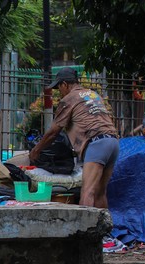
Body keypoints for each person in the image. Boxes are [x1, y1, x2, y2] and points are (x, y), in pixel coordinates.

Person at [30, 67, 119, 208]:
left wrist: (36, 150)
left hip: (96, 143)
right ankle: (104, 223)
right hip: (113, 142)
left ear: (65, 84)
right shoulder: (93, 94)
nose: (59, 92)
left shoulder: (69, 99)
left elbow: (53, 132)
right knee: (100, 193)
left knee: (87, 191)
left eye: (59, 88)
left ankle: (85, 223)